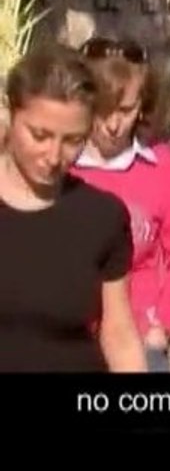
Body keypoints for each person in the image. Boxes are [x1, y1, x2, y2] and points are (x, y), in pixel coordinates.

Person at [0, 44, 146, 372]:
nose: (53, 156)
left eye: (72, 141)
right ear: (11, 114)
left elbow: (119, 333)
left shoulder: (102, 217)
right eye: (40, 135)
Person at [69, 37, 170, 372]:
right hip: (72, 342)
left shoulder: (162, 165)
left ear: (142, 106)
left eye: (125, 110)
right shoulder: (61, 164)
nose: (113, 125)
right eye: (102, 110)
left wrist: (163, 326)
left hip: (142, 341)